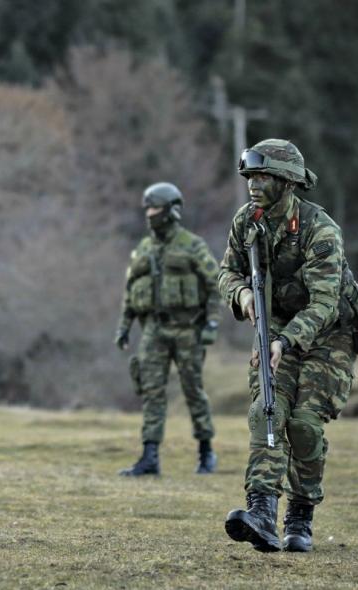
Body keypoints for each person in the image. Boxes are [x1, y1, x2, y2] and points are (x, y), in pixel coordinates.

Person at [218, 138, 355, 553]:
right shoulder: (247, 221)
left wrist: (286, 339)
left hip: (326, 337)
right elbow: (228, 272)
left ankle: (300, 514)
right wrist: (241, 296)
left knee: (304, 425)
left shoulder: (320, 228)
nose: (253, 184)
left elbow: (327, 302)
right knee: (267, 411)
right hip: (273, 331)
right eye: (250, 177)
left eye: (263, 176)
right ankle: (260, 512)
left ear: (286, 181)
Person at [114, 182, 221, 477]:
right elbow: (131, 291)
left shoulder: (192, 245)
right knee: (151, 392)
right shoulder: (144, 249)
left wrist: (211, 323)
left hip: (188, 329)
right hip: (153, 331)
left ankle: (206, 452)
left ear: (172, 210)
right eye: (147, 208)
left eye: (155, 208)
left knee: (192, 391)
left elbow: (216, 286)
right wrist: (124, 327)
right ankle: (149, 458)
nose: (149, 214)